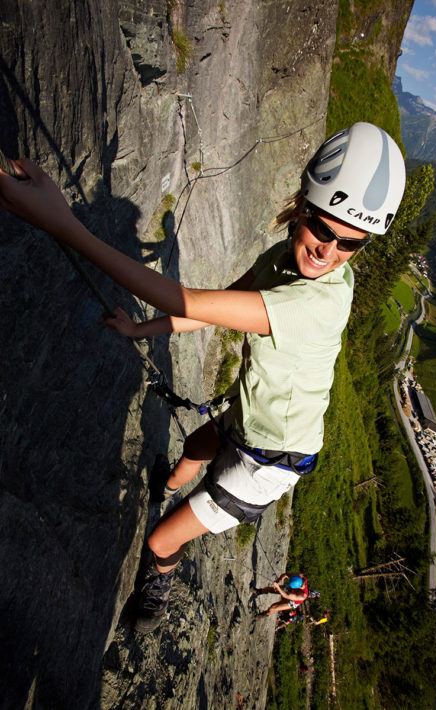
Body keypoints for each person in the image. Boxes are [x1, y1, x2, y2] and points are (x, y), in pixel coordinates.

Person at [0, 122, 406, 633]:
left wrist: (64, 225)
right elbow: (209, 309)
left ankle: (156, 594)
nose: (329, 252)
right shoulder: (282, 262)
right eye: (323, 229)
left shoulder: (315, 302)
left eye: (352, 245)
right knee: (193, 448)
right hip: (251, 416)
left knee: (160, 542)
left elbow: (185, 300)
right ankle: (163, 489)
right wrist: (139, 329)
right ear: (303, 206)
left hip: (270, 462)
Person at [253, 573, 319, 617]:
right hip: (290, 589)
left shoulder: (302, 596)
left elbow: (286, 596)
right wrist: (279, 580)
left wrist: (278, 587)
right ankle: (258, 591)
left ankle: (261, 615)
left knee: (273, 607)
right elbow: (285, 575)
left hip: (293, 602)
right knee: (272, 589)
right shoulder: (300, 577)